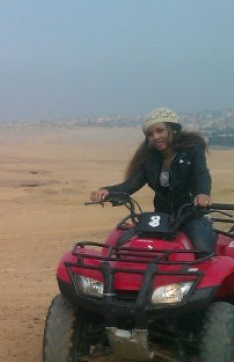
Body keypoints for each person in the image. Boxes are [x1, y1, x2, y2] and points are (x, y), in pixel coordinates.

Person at [90, 107, 216, 255]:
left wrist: (202, 194)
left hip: (191, 215)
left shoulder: (192, 150)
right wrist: (108, 191)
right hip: (161, 218)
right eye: (150, 134)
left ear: (172, 129)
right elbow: (132, 184)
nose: (155, 137)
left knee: (202, 250)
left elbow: (200, 173)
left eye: (160, 131)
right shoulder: (149, 160)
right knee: (125, 246)